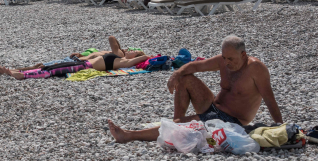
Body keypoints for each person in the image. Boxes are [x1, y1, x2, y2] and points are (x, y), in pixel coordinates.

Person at [108, 35, 283, 143]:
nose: (227, 62)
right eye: (224, 58)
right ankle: (177, 123)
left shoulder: (256, 69)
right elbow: (194, 66)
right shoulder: (223, 61)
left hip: (232, 120)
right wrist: (175, 75)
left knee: (181, 124)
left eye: (231, 59)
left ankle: (129, 135)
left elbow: (269, 99)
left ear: (243, 54)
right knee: (185, 79)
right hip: (213, 106)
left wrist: (280, 127)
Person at [0, 37, 150, 80]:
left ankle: (23, 75)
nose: (130, 50)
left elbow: (112, 38)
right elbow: (112, 39)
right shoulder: (118, 54)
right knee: (51, 68)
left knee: (53, 71)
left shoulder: (122, 60)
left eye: (133, 51)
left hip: (85, 67)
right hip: (83, 63)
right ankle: (16, 71)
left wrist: (144, 56)